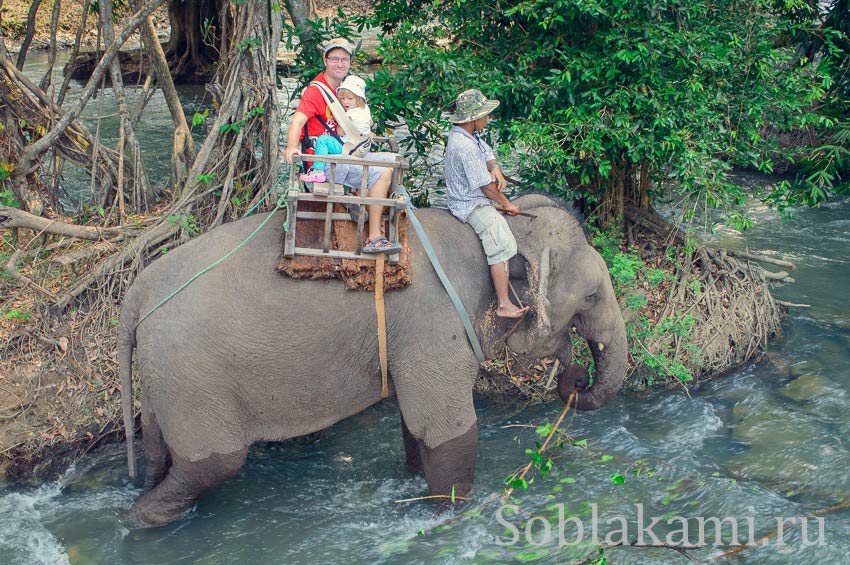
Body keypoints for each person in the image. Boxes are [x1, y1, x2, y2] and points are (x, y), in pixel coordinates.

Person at [284, 38, 400, 254]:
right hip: (326, 163)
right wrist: (292, 146)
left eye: (344, 59)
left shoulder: (347, 89)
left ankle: (361, 200)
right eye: (334, 59)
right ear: (325, 60)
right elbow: (298, 121)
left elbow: (350, 124)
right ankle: (374, 236)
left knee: (392, 161)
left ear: (349, 62)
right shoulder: (317, 91)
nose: (339, 64)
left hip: (342, 153)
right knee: (384, 173)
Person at [444, 89, 529, 318]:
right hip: (469, 203)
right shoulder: (464, 147)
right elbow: (486, 188)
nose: (487, 118)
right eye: (485, 115)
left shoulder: (469, 136)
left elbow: (487, 152)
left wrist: (495, 167)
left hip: (475, 197)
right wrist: (507, 204)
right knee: (499, 237)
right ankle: (503, 304)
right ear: (473, 118)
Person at [299, 75, 372, 183]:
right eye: (342, 98)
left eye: (350, 99)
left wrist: (340, 124)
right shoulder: (365, 109)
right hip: (362, 146)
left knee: (323, 140)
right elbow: (370, 122)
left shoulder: (351, 115)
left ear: (359, 98)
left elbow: (339, 131)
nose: (345, 102)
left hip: (350, 148)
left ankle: (317, 171)